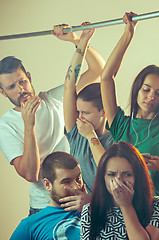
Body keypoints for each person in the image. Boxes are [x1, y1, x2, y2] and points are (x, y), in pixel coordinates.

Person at [101, 12, 159, 239]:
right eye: (146, 89)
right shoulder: (120, 123)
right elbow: (105, 78)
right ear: (137, 89)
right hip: (129, 220)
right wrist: (128, 33)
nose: (151, 96)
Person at [0, 26, 103, 215]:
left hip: (80, 200)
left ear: (29, 77)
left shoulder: (54, 99)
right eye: (12, 86)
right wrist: (28, 125)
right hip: (44, 207)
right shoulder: (6, 126)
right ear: (3, 92)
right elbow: (30, 174)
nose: (20, 89)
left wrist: (77, 39)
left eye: (22, 81)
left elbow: (98, 70)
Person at [52, 23, 114, 196]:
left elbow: (108, 170)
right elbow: (69, 86)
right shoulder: (76, 133)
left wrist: (91, 137)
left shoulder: (117, 138)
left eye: (85, 113)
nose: (80, 118)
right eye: (78, 112)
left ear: (104, 112)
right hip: (83, 211)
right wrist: (81, 42)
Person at [81, 141, 159, 240]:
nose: (119, 181)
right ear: (103, 177)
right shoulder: (90, 210)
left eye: (127, 174)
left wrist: (126, 205)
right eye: (111, 174)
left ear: (138, 177)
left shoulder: (157, 204)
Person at [10, 151, 86, 240]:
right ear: (47, 185)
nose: (76, 187)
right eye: (66, 181)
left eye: (78, 179)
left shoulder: (96, 210)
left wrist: (91, 207)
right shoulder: (30, 225)